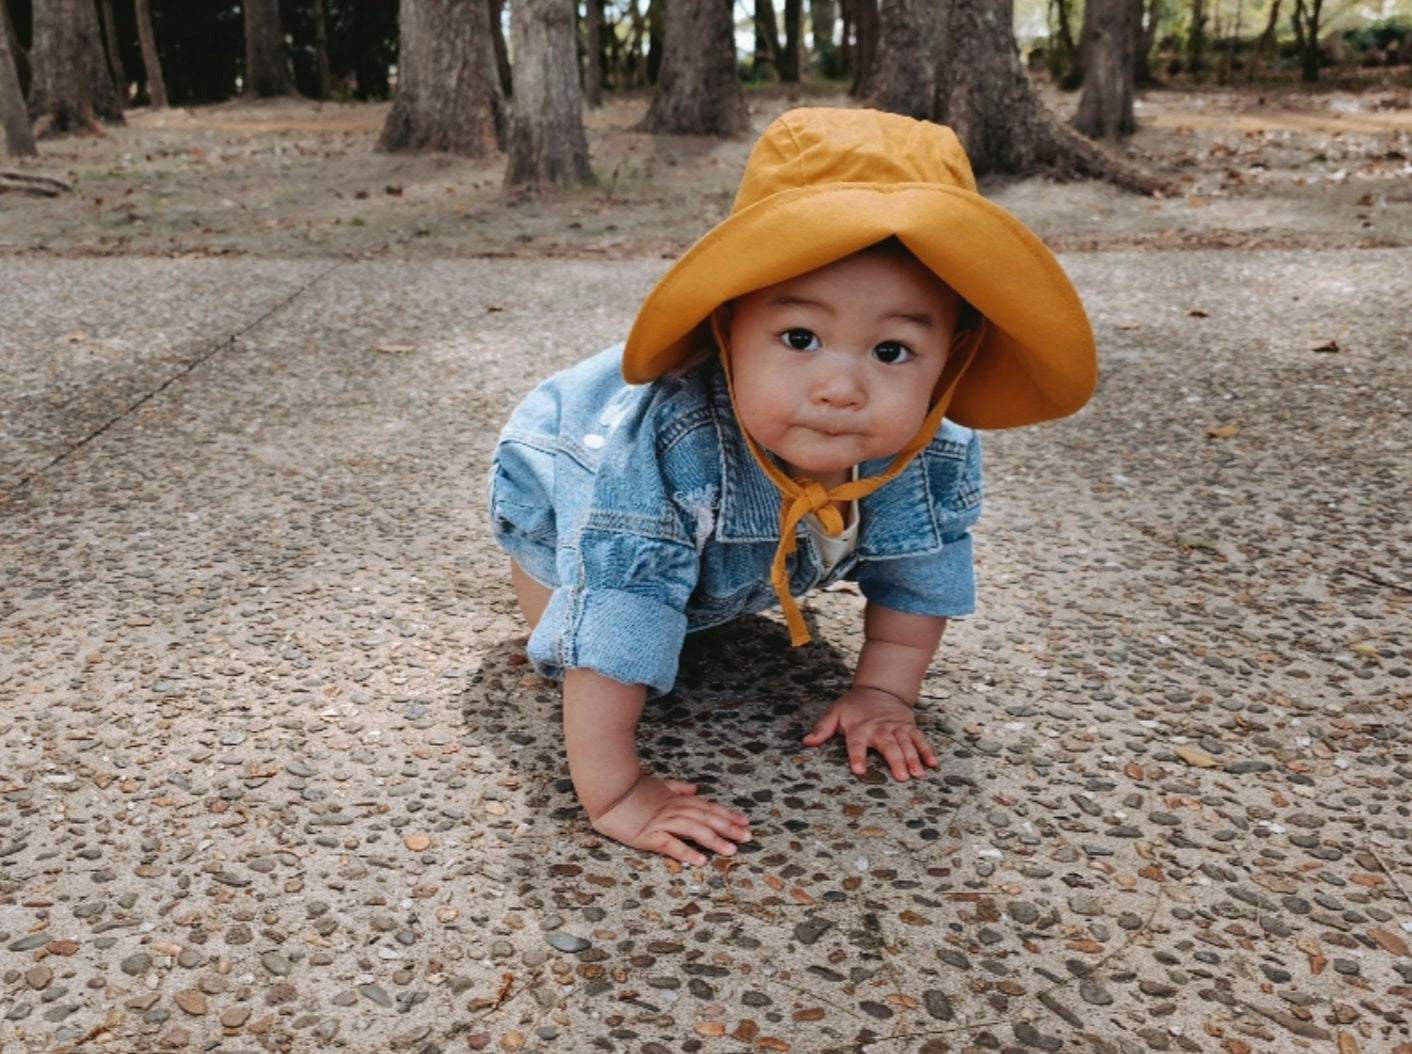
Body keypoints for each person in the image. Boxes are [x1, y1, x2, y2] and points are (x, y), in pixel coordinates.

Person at [488, 108, 1096, 866]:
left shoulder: (931, 450)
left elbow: (918, 583)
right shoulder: (670, 448)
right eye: (800, 338)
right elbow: (614, 616)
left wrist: (882, 694)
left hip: (730, 544)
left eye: (892, 349)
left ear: (952, 358)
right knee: (574, 646)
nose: (841, 386)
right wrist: (614, 792)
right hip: (565, 490)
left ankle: (710, 589)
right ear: (728, 326)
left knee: (688, 627)